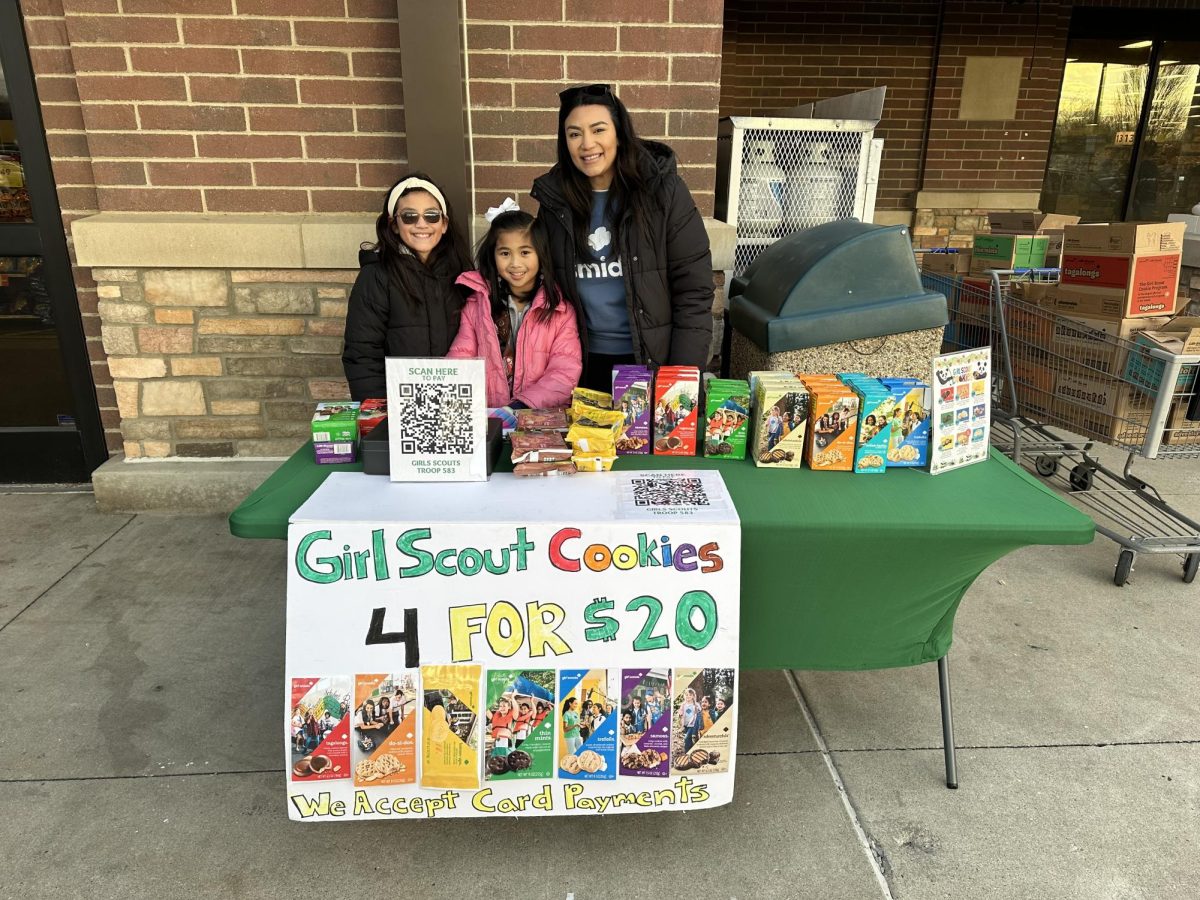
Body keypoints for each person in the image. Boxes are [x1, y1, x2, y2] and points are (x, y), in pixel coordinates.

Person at [531, 83, 714, 390]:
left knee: (640, 440)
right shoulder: (555, 202)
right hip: (580, 365)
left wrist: (680, 380)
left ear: (619, 132)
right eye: (574, 133)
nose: (587, 144)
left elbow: (693, 290)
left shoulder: (662, 193)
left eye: (598, 129)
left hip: (649, 362)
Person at [342, 173, 472, 401]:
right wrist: (379, 413)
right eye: (410, 216)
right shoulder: (376, 276)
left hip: (455, 404)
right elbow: (363, 354)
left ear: (444, 224)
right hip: (398, 407)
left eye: (432, 216)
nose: (422, 224)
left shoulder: (462, 274)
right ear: (393, 224)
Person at [449, 208, 581, 418]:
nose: (515, 263)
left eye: (525, 252)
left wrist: (519, 406)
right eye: (505, 253)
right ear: (493, 256)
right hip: (488, 418)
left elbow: (564, 373)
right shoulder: (477, 305)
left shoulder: (560, 311)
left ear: (541, 255)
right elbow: (460, 357)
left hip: (540, 419)